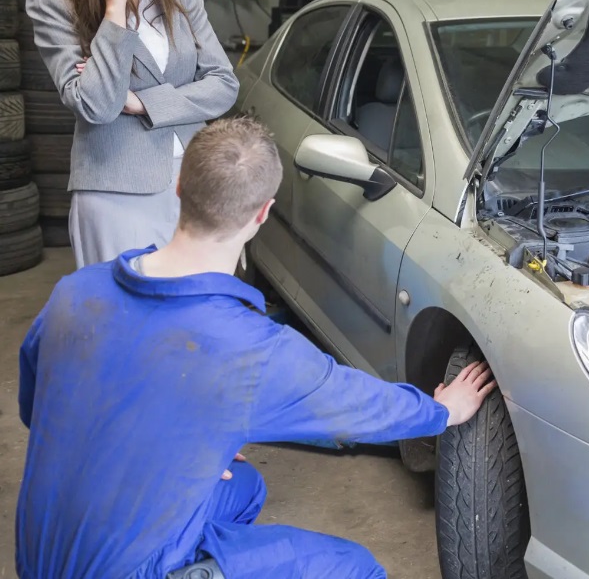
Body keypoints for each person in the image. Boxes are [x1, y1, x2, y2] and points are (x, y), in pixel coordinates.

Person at [16, 117, 497, 579]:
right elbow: (360, 406)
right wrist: (441, 411)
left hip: (40, 556)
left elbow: (35, 409)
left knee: (243, 487)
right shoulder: (249, 349)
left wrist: (190, 450)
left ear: (178, 185)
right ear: (263, 213)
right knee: (356, 567)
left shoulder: (77, 291)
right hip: (130, 570)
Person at [25, 0, 239, 269]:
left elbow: (224, 85)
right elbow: (98, 106)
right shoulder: (54, 0)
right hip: (116, 193)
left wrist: (143, 102)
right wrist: (113, 12)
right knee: (126, 321)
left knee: (193, 317)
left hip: (193, 185)